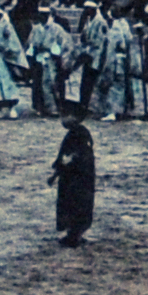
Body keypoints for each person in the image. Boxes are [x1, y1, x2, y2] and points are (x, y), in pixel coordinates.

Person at [49, 103, 95, 248]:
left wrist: (60, 169)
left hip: (78, 178)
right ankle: (72, 233)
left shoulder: (80, 135)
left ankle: (75, 234)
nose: (62, 119)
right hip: (71, 177)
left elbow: (77, 156)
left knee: (76, 204)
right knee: (71, 204)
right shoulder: (75, 134)